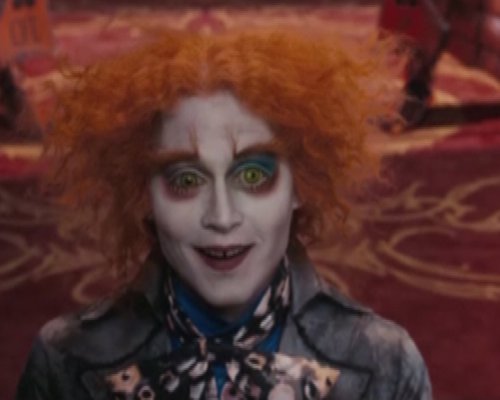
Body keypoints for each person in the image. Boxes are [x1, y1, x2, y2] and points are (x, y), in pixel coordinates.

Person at [16, 29, 432, 399]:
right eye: (186, 179)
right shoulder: (63, 362)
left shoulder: (386, 365)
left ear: (300, 186)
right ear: (144, 195)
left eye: (252, 175)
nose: (221, 216)